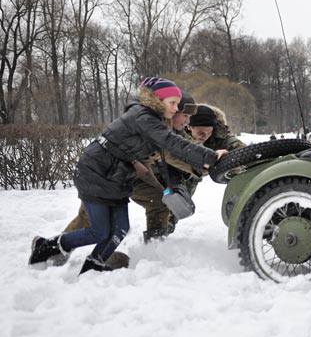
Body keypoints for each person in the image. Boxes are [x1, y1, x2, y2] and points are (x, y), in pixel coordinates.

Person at [28, 78, 227, 275]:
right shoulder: (148, 119)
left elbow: (177, 147)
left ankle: (102, 263)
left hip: (122, 176)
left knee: (131, 220)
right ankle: (52, 248)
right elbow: (171, 148)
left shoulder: (162, 123)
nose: (185, 120)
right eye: (182, 113)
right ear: (162, 103)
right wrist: (205, 160)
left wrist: (203, 164)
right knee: (94, 223)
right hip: (102, 172)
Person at [59, 93, 200, 247]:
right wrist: (203, 163)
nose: (187, 121)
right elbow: (175, 154)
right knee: (89, 217)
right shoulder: (148, 123)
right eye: (185, 115)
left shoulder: (174, 130)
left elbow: (190, 146)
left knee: (158, 202)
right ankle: (54, 248)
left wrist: (211, 159)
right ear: (171, 111)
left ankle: (154, 247)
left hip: (136, 177)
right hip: (107, 174)